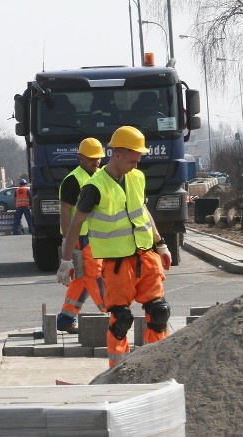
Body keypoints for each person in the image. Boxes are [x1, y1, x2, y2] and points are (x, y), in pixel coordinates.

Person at [58, 126, 172, 367]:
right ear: (117, 154)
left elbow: (143, 212)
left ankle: (156, 363)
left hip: (146, 256)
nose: (136, 164)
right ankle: (119, 369)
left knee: (160, 312)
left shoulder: (137, 177)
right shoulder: (94, 187)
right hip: (117, 264)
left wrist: (161, 244)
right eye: (133, 159)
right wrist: (66, 260)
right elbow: (75, 223)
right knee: (121, 319)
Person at [56, 138, 106, 334]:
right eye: (92, 158)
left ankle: (66, 319)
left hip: (95, 236)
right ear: (81, 157)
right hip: (82, 237)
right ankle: (111, 311)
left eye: (99, 158)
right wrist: (67, 241)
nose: (96, 162)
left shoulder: (100, 176)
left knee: (80, 279)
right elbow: (65, 211)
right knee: (95, 275)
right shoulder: (73, 180)